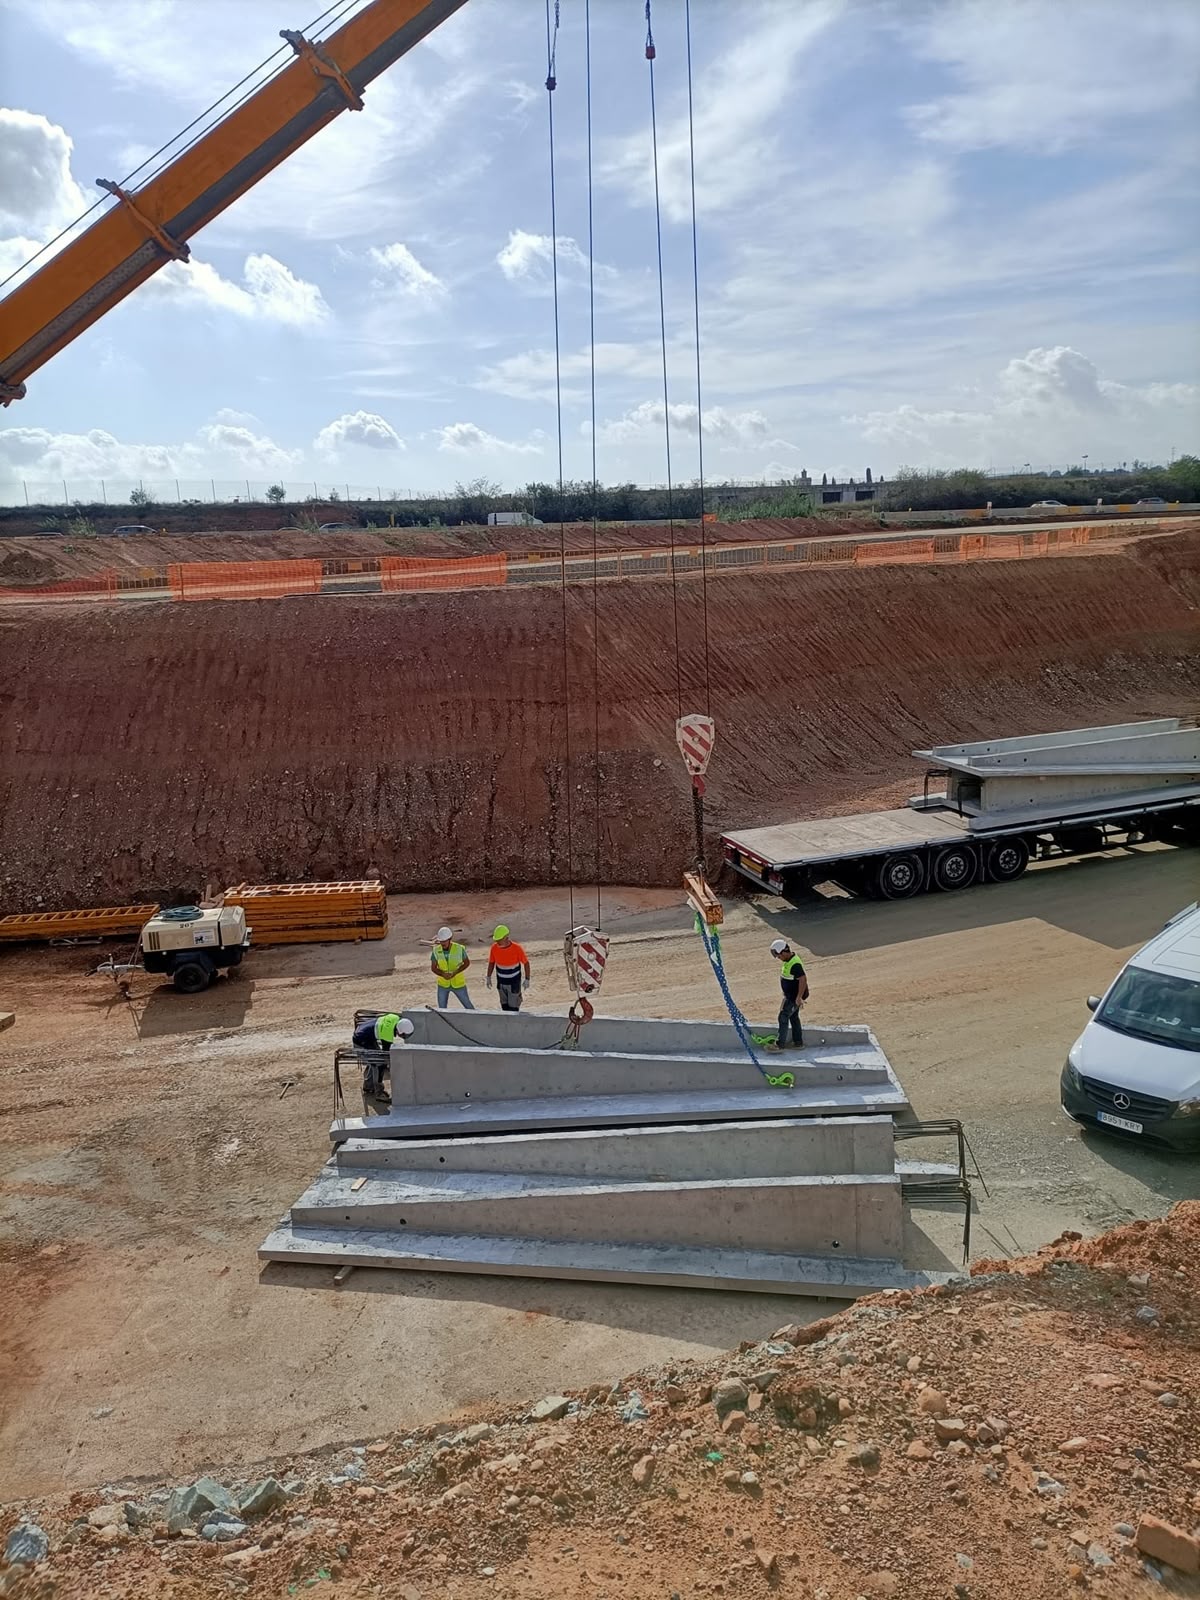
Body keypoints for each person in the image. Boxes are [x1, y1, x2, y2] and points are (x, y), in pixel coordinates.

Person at [766, 937, 808, 1052]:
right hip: (790, 995)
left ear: (784, 952)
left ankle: (779, 1045)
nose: (778, 958)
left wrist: (799, 997)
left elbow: (803, 979)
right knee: (793, 1017)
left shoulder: (795, 964)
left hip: (793, 997)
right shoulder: (789, 961)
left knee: (783, 1017)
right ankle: (797, 1043)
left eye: (779, 956)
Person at [486, 925, 532, 1011]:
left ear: (506, 938)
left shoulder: (517, 948)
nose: (497, 942)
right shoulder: (494, 948)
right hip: (501, 983)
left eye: (499, 940)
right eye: (496, 940)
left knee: (513, 1008)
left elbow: (526, 963)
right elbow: (491, 962)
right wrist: (488, 977)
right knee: (504, 1006)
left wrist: (527, 979)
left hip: (514, 984)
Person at [431, 926, 474, 1010]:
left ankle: (475, 1018)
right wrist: (442, 974)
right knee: (442, 1010)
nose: (442, 943)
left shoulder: (459, 949)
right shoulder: (436, 951)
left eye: (444, 941)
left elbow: (466, 963)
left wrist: (455, 972)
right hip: (443, 984)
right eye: (441, 941)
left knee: (468, 1006)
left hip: (458, 983)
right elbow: (433, 968)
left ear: (450, 939)